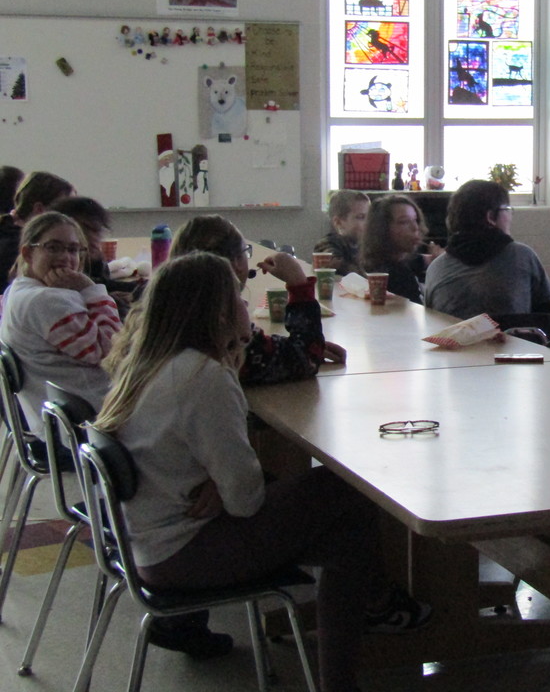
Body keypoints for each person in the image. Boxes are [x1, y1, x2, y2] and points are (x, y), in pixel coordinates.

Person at [93, 252, 429, 692]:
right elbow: (245, 500)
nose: (243, 300)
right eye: (235, 293)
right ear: (215, 310)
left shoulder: (149, 361)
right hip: (183, 552)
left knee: (348, 534)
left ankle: (363, 631)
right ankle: (369, 624)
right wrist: (224, 479)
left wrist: (216, 477)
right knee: (346, 489)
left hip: (145, 544)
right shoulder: (203, 377)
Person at [167, 214, 346, 380]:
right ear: (236, 263)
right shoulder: (224, 331)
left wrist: (297, 343)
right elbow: (306, 359)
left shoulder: (172, 317)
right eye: (245, 251)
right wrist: (298, 283)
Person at [0, 211, 120, 434]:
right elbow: (114, 354)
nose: (65, 257)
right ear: (27, 253)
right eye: (53, 247)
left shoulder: (16, 291)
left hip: (51, 418)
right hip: (86, 423)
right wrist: (91, 290)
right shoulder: (47, 301)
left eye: (73, 249)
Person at [424, 180, 550, 320]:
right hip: (513, 341)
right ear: (491, 217)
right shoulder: (522, 256)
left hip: (453, 342)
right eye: (506, 209)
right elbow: (548, 314)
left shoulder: (435, 268)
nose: (510, 217)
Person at [50, 196, 141, 318]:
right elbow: (92, 287)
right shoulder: (61, 264)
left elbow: (102, 283)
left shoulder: (93, 260)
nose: (94, 237)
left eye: (97, 230)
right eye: (86, 228)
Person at [0, 171, 76, 289]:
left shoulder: (6, 230)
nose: (71, 219)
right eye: (65, 211)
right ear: (40, 210)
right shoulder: (15, 246)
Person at [360, 194, 438, 304]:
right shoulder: (397, 276)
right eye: (404, 222)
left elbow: (416, 261)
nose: (415, 227)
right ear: (382, 229)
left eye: (415, 220)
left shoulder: (378, 261)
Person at [313, 189, 370, 276]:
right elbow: (340, 268)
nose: (368, 223)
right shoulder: (327, 244)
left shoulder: (364, 245)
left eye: (369, 217)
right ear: (338, 222)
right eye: (361, 217)